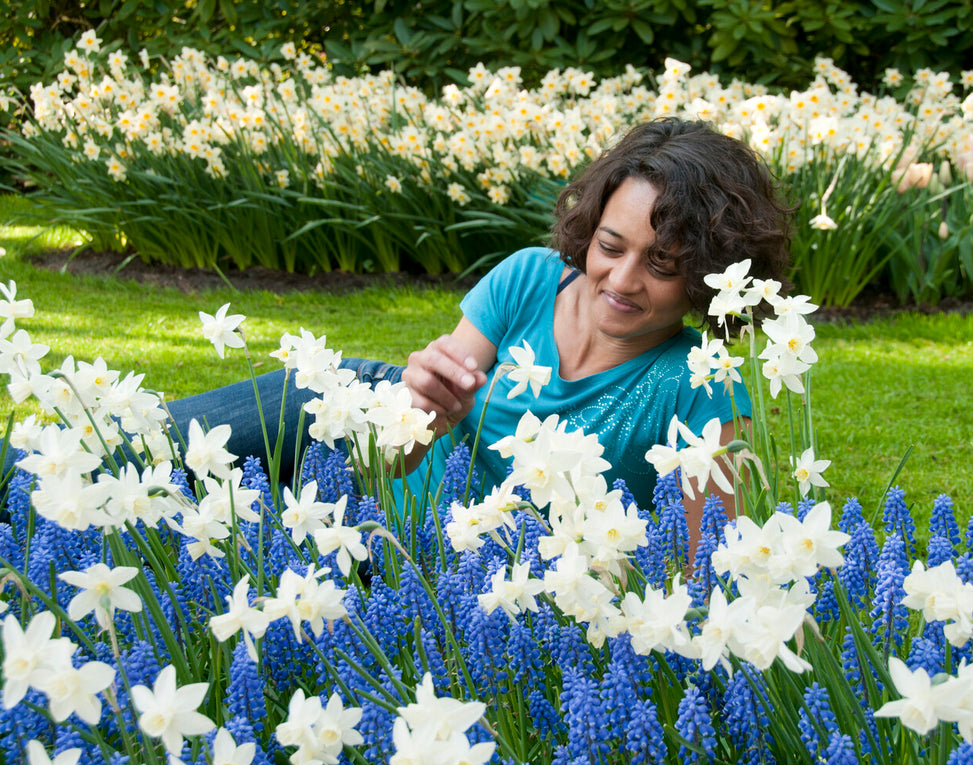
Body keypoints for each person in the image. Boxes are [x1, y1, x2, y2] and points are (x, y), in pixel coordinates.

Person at [162, 117, 791, 549]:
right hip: (357, 425)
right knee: (151, 449)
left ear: (707, 278)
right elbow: (389, 458)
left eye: (661, 264)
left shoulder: (701, 384)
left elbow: (703, 566)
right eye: (609, 245)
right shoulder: (528, 278)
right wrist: (424, 411)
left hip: (450, 562)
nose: (620, 280)